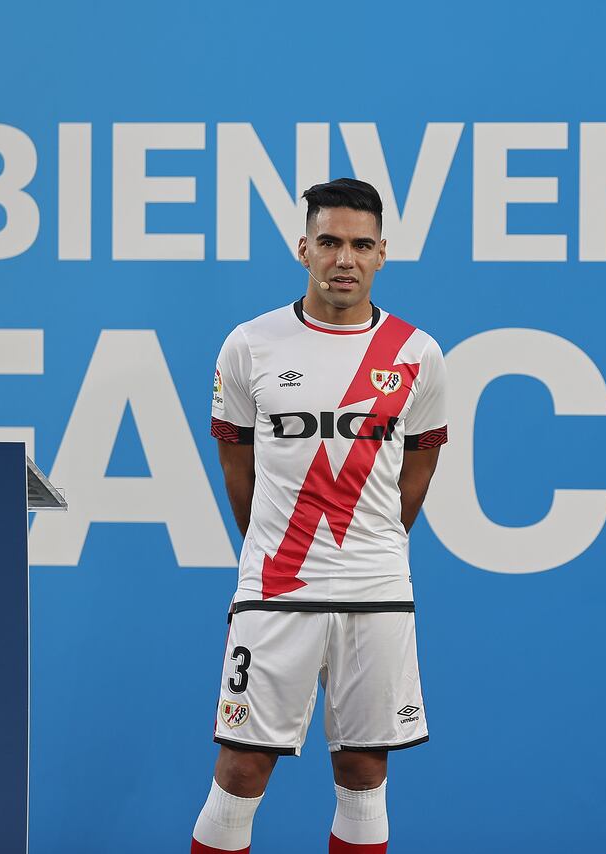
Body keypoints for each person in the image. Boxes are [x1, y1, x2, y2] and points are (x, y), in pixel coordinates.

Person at [191, 178, 449, 854]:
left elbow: (417, 471)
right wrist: (276, 550)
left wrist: (375, 544)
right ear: (303, 247)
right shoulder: (250, 345)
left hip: (376, 589)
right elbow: (236, 467)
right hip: (278, 587)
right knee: (241, 770)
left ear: (382, 254)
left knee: (364, 772)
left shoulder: (417, 354)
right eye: (330, 242)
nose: (345, 259)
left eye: (361, 245)